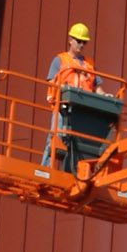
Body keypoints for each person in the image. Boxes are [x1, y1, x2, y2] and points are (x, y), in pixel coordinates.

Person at [43, 22, 100, 168]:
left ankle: (72, 171)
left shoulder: (89, 64)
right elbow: (51, 81)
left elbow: (97, 87)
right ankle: (46, 169)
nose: (81, 45)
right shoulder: (60, 60)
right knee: (56, 138)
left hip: (81, 111)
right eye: (79, 41)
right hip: (62, 108)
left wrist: (109, 97)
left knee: (78, 144)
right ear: (70, 40)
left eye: (84, 42)